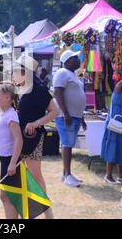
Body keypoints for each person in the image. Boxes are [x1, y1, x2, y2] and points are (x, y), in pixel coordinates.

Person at [12, 53, 58, 219]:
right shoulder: (19, 89)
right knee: (22, 177)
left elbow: (55, 112)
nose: (14, 74)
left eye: (17, 70)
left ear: (25, 72)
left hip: (33, 139)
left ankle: (48, 213)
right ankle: (26, 211)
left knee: (36, 177)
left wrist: (36, 123)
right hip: (19, 139)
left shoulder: (38, 90)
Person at [53, 50, 86, 187]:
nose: (78, 60)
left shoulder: (72, 75)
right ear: (68, 61)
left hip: (75, 115)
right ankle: (67, 176)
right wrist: (65, 113)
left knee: (69, 143)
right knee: (67, 144)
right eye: (75, 58)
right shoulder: (62, 73)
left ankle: (66, 174)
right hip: (66, 115)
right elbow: (58, 93)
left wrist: (82, 117)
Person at [0, 83, 23, 219]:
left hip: (10, 160)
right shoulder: (2, 114)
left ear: (8, 97)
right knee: (7, 195)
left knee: (7, 196)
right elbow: (3, 139)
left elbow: (18, 140)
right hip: (4, 159)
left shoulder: (11, 115)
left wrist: (12, 163)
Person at [101, 80, 122, 184]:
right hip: (115, 123)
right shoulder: (121, 85)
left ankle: (121, 175)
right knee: (113, 147)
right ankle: (108, 175)